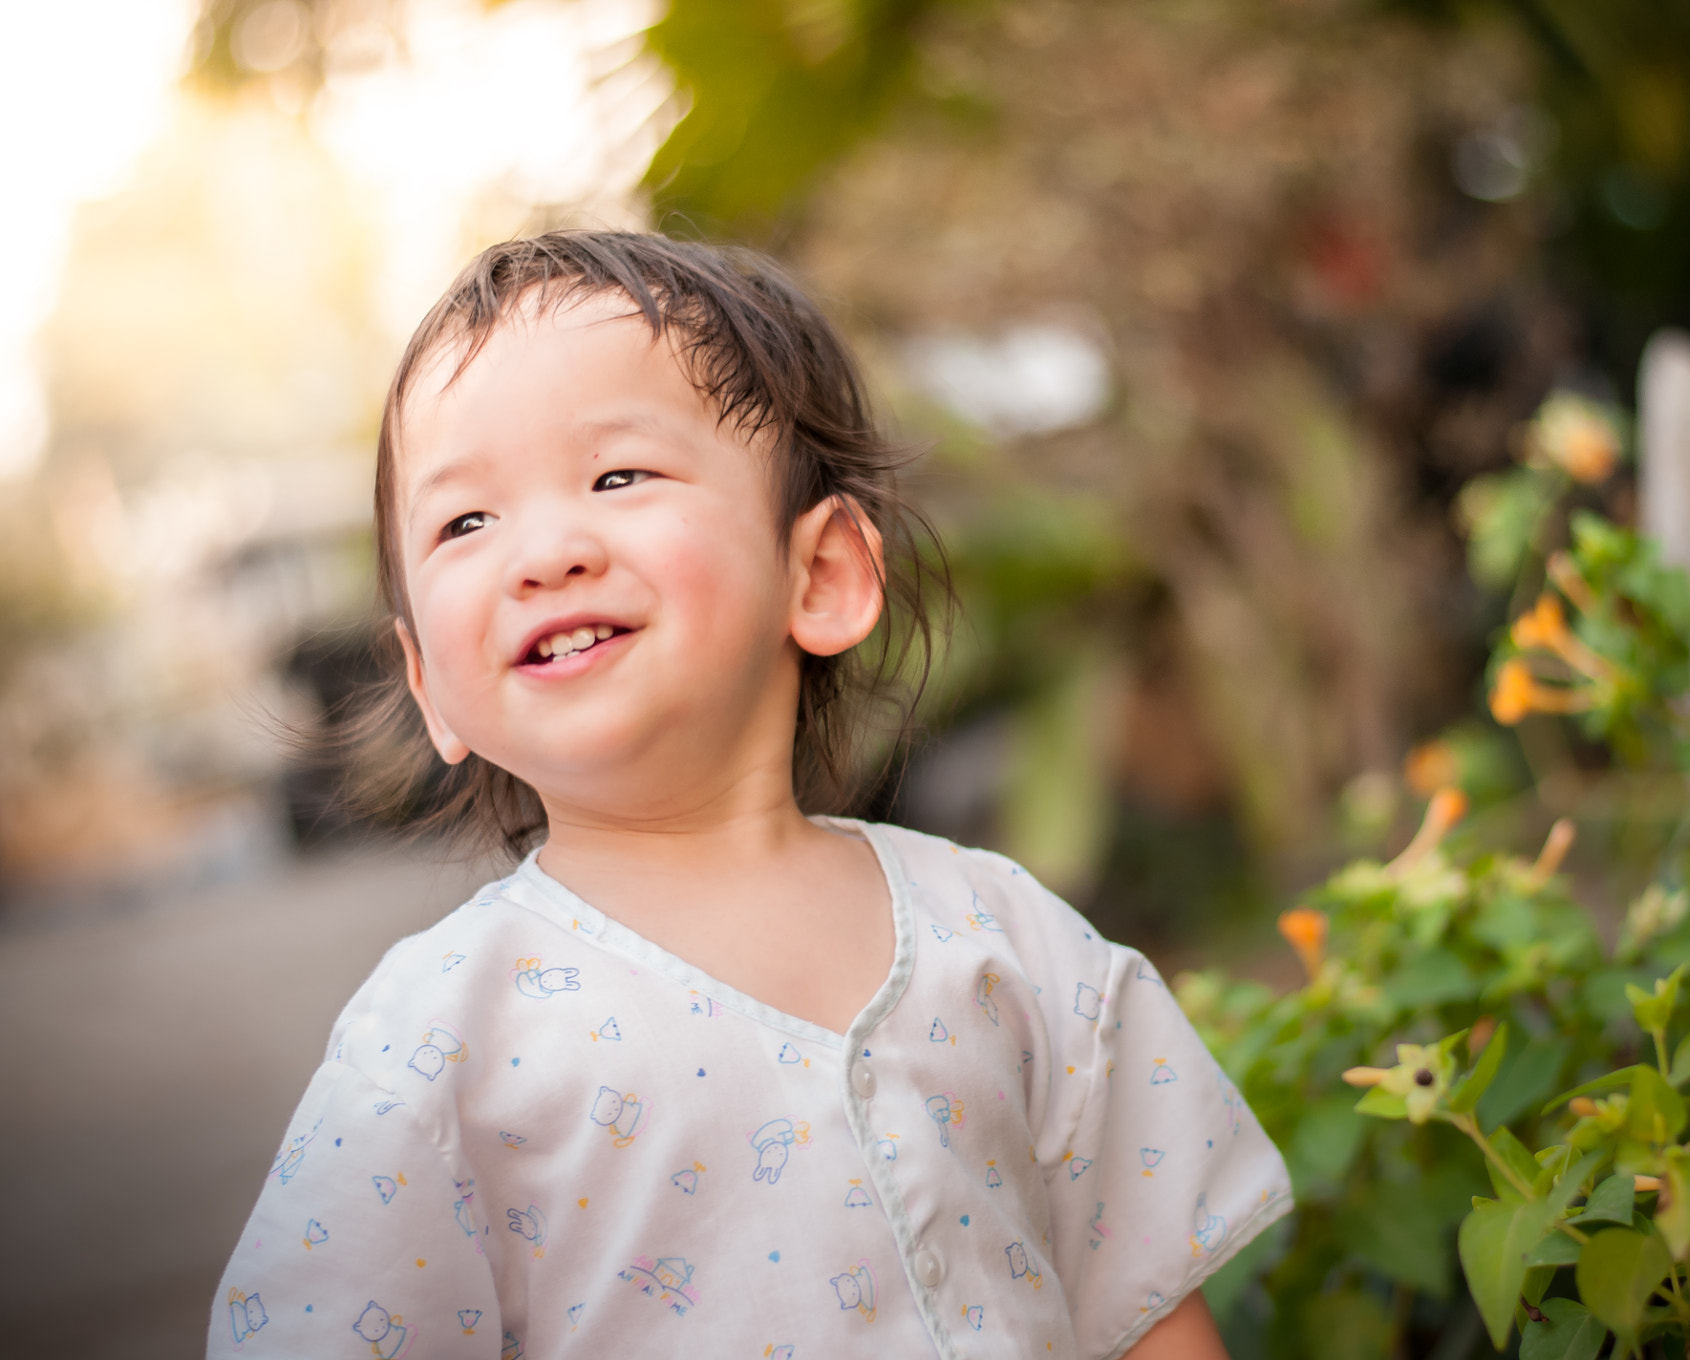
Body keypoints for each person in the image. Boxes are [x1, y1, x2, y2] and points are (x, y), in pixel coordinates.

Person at [209, 231, 1292, 1359]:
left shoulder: (1004, 935)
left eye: (617, 475)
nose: (540, 554)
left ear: (819, 575)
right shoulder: (439, 1039)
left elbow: (1144, 1313)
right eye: (463, 522)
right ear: (429, 685)